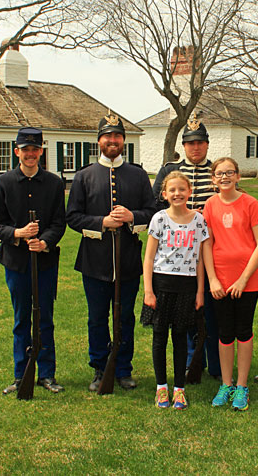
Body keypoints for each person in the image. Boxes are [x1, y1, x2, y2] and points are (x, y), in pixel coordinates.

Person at [67, 113, 157, 392]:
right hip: (94, 262)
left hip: (128, 261)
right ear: (99, 142)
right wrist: (101, 223)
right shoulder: (83, 176)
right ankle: (99, 367)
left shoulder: (138, 175)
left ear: (123, 141)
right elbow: (72, 216)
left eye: (117, 136)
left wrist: (132, 216)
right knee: (96, 318)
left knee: (125, 317)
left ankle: (122, 368)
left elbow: (153, 213)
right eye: (108, 137)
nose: (113, 141)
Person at [0, 127, 66, 395]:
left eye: (35, 150)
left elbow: (59, 222)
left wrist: (45, 241)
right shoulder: (3, 183)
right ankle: (21, 374)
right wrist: (18, 234)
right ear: (17, 152)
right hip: (16, 263)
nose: (30, 154)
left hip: (44, 263)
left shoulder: (55, 184)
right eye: (26, 150)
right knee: (22, 318)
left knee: (44, 317)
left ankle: (47, 373)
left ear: (41, 152)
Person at [152, 114, 221, 380]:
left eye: (200, 143)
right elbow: (157, 205)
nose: (196, 148)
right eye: (191, 143)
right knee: (186, 309)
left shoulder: (216, 171)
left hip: (211, 248)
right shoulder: (169, 170)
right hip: (176, 253)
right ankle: (192, 362)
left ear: (206, 145)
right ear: (184, 146)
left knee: (208, 308)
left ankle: (213, 363)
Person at [202, 157, 258, 411]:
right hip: (220, 280)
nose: (224, 177)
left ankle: (242, 386)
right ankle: (226, 383)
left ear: (238, 177)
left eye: (230, 172)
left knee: (243, 330)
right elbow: (207, 242)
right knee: (224, 332)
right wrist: (213, 278)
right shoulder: (210, 204)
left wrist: (243, 278)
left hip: (247, 281)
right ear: (213, 179)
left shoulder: (250, 203)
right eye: (219, 173)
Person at [141, 171, 208, 409]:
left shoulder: (199, 221)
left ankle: (179, 388)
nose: (177, 194)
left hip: (187, 286)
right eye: (172, 190)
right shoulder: (159, 218)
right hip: (161, 285)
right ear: (164, 194)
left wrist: (200, 291)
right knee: (160, 337)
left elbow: (200, 260)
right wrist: (149, 291)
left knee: (180, 337)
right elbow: (148, 258)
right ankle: (161, 388)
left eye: (182, 189)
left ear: (189, 192)